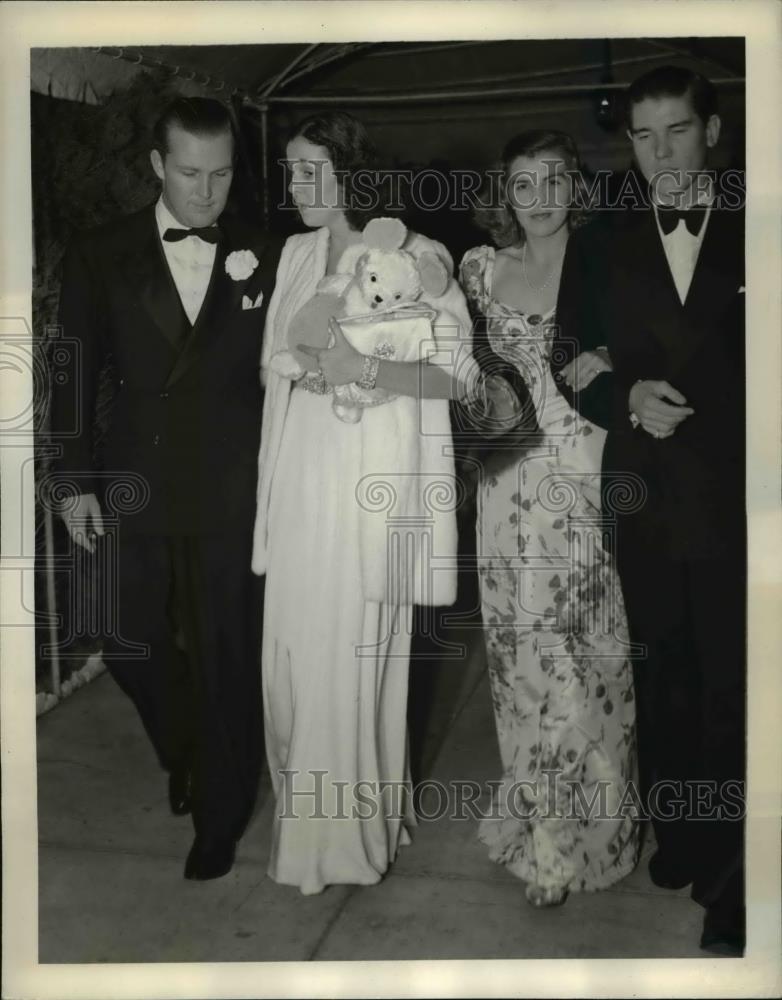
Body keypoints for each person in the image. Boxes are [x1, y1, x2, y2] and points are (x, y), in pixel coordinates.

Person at [50, 97, 282, 880]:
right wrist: (73, 481)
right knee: (125, 635)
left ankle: (220, 812)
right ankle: (186, 746)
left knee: (226, 655)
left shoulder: (269, 250)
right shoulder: (99, 251)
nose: (206, 193)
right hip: (132, 482)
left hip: (231, 482)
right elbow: (73, 369)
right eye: (189, 173)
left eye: (221, 175)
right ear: (156, 165)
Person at [251, 111, 477, 895]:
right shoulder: (293, 255)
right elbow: (272, 363)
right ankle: (309, 821)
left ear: (354, 172)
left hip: (372, 485)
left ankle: (342, 842)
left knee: (347, 659)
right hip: (300, 475)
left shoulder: (415, 255)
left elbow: (458, 378)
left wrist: (363, 370)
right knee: (287, 663)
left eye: (314, 169)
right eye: (289, 170)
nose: (298, 186)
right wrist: (307, 368)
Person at [554, 66, 746, 955]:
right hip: (643, 497)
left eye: (676, 132)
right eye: (642, 136)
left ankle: (740, 878)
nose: (660, 154)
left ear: (712, 131)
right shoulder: (599, 243)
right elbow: (569, 355)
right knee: (664, 676)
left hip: (744, 501)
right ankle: (686, 837)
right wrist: (626, 396)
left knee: (737, 690)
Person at [458, 130, 639, 907]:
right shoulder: (475, 270)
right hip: (504, 487)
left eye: (553, 182)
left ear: (576, 188)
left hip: (583, 475)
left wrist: (615, 359)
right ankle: (539, 823)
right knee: (520, 662)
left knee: (585, 660)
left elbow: (654, 340)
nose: (539, 200)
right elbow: (450, 367)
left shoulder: (609, 261)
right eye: (523, 184)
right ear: (505, 193)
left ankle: (588, 837)